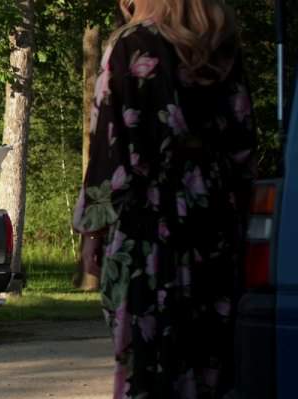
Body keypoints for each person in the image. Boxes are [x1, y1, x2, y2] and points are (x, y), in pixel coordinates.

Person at [73, 0, 255, 397]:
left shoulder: (131, 45)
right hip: (214, 225)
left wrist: (93, 232)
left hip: (147, 226)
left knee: (149, 365)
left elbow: (110, 148)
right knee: (209, 363)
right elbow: (243, 144)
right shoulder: (219, 48)